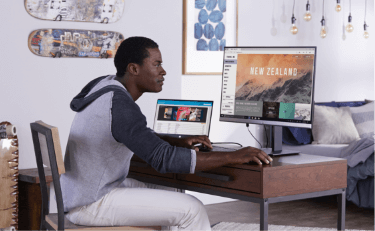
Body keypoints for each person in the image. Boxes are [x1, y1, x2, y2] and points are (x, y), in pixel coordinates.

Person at [60, 36, 273, 231]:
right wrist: (236, 155)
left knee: (172, 190)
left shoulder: (105, 85)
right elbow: (164, 159)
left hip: (83, 191)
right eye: (157, 64)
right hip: (90, 202)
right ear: (134, 69)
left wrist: (172, 141)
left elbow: (132, 133)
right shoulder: (120, 105)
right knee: (192, 209)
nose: (163, 71)